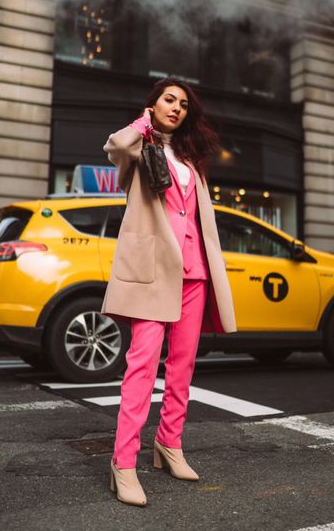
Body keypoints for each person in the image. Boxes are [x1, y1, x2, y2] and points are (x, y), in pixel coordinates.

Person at [102, 77, 236, 506]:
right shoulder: (139, 147)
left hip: (193, 271)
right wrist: (143, 125)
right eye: (168, 99)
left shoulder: (190, 157)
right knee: (142, 366)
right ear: (153, 104)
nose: (176, 107)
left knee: (182, 366)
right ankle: (123, 463)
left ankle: (169, 443)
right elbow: (117, 148)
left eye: (182, 103)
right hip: (153, 270)